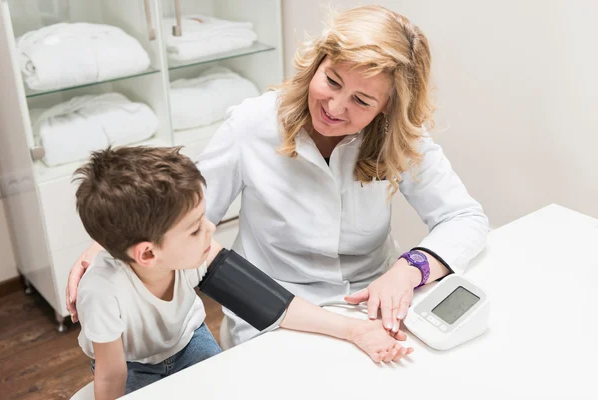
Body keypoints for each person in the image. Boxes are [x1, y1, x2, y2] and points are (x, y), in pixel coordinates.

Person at [67, 5, 488, 349]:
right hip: (273, 312)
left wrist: (409, 269)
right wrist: (104, 247)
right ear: (317, 62)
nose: (335, 107)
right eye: (331, 80)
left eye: (361, 100)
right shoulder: (252, 124)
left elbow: (464, 219)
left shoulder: (400, 140)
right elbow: (174, 216)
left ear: (388, 110)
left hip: (375, 302)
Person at [74, 146, 412, 398]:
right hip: (133, 366)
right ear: (148, 253)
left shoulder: (196, 254)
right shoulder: (102, 292)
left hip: (188, 341)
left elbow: (271, 303)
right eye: (194, 229)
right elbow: (110, 376)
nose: (210, 228)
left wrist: (354, 331)